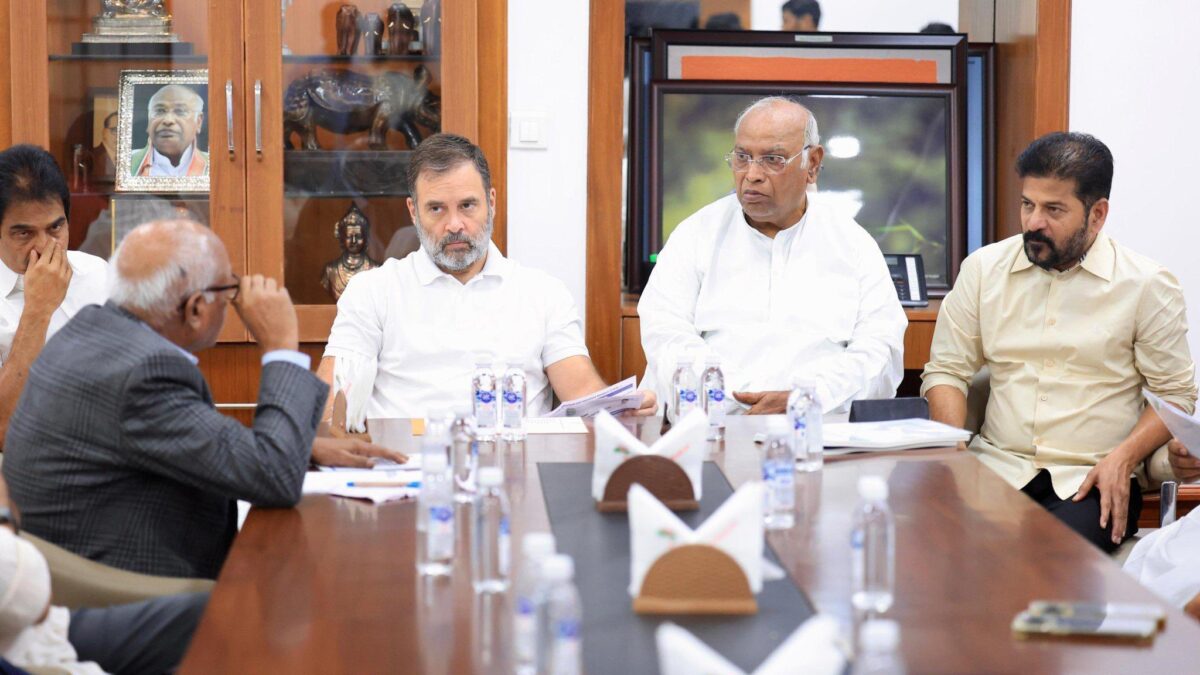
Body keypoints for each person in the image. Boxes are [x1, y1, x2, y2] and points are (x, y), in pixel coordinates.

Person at [3, 219, 404, 580]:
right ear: (195, 309)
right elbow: (275, 479)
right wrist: (281, 345)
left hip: (90, 573)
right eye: (228, 289)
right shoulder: (145, 373)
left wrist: (305, 447)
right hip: (133, 601)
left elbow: (185, 436)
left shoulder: (91, 331)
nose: (236, 299)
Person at [922, 132, 1196, 552]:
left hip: (1089, 477)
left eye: (1053, 210)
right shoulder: (983, 270)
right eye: (1027, 204)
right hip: (994, 466)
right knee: (939, 549)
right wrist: (952, 452)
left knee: (1048, 565)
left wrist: (1122, 459)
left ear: (1097, 214)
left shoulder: (1146, 285)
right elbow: (947, 370)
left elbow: (1174, 394)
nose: (1033, 222)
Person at [320, 133, 657, 424]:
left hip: (514, 471)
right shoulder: (373, 291)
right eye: (436, 208)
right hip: (406, 472)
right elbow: (333, 400)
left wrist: (620, 410)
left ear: (490, 202)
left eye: (467, 205)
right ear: (413, 211)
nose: (454, 224)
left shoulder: (542, 294)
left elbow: (582, 391)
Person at [638, 97, 906, 416]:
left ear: (813, 164)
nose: (752, 174)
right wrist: (740, 398)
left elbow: (881, 354)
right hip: (712, 429)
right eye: (742, 157)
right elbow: (666, 337)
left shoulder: (853, 243)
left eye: (772, 159)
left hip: (820, 433)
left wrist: (806, 398)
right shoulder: (695, 235)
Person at [0, 475, 206, 675]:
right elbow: (35, 603)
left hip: (35, 629)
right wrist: (4, 516)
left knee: (209, 616)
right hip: (26, 633)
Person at [0, 145, 109, 446]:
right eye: (23, 233)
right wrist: (38, 310)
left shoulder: (97, 275)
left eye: (55, 228)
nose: (45, 247)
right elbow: (4, 428)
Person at [130, 84, 209, 178]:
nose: (168, 120)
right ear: (148, 119)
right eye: (159, 111)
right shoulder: (128, 162)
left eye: (180, 111)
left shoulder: (214, 165)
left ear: (199, 122)